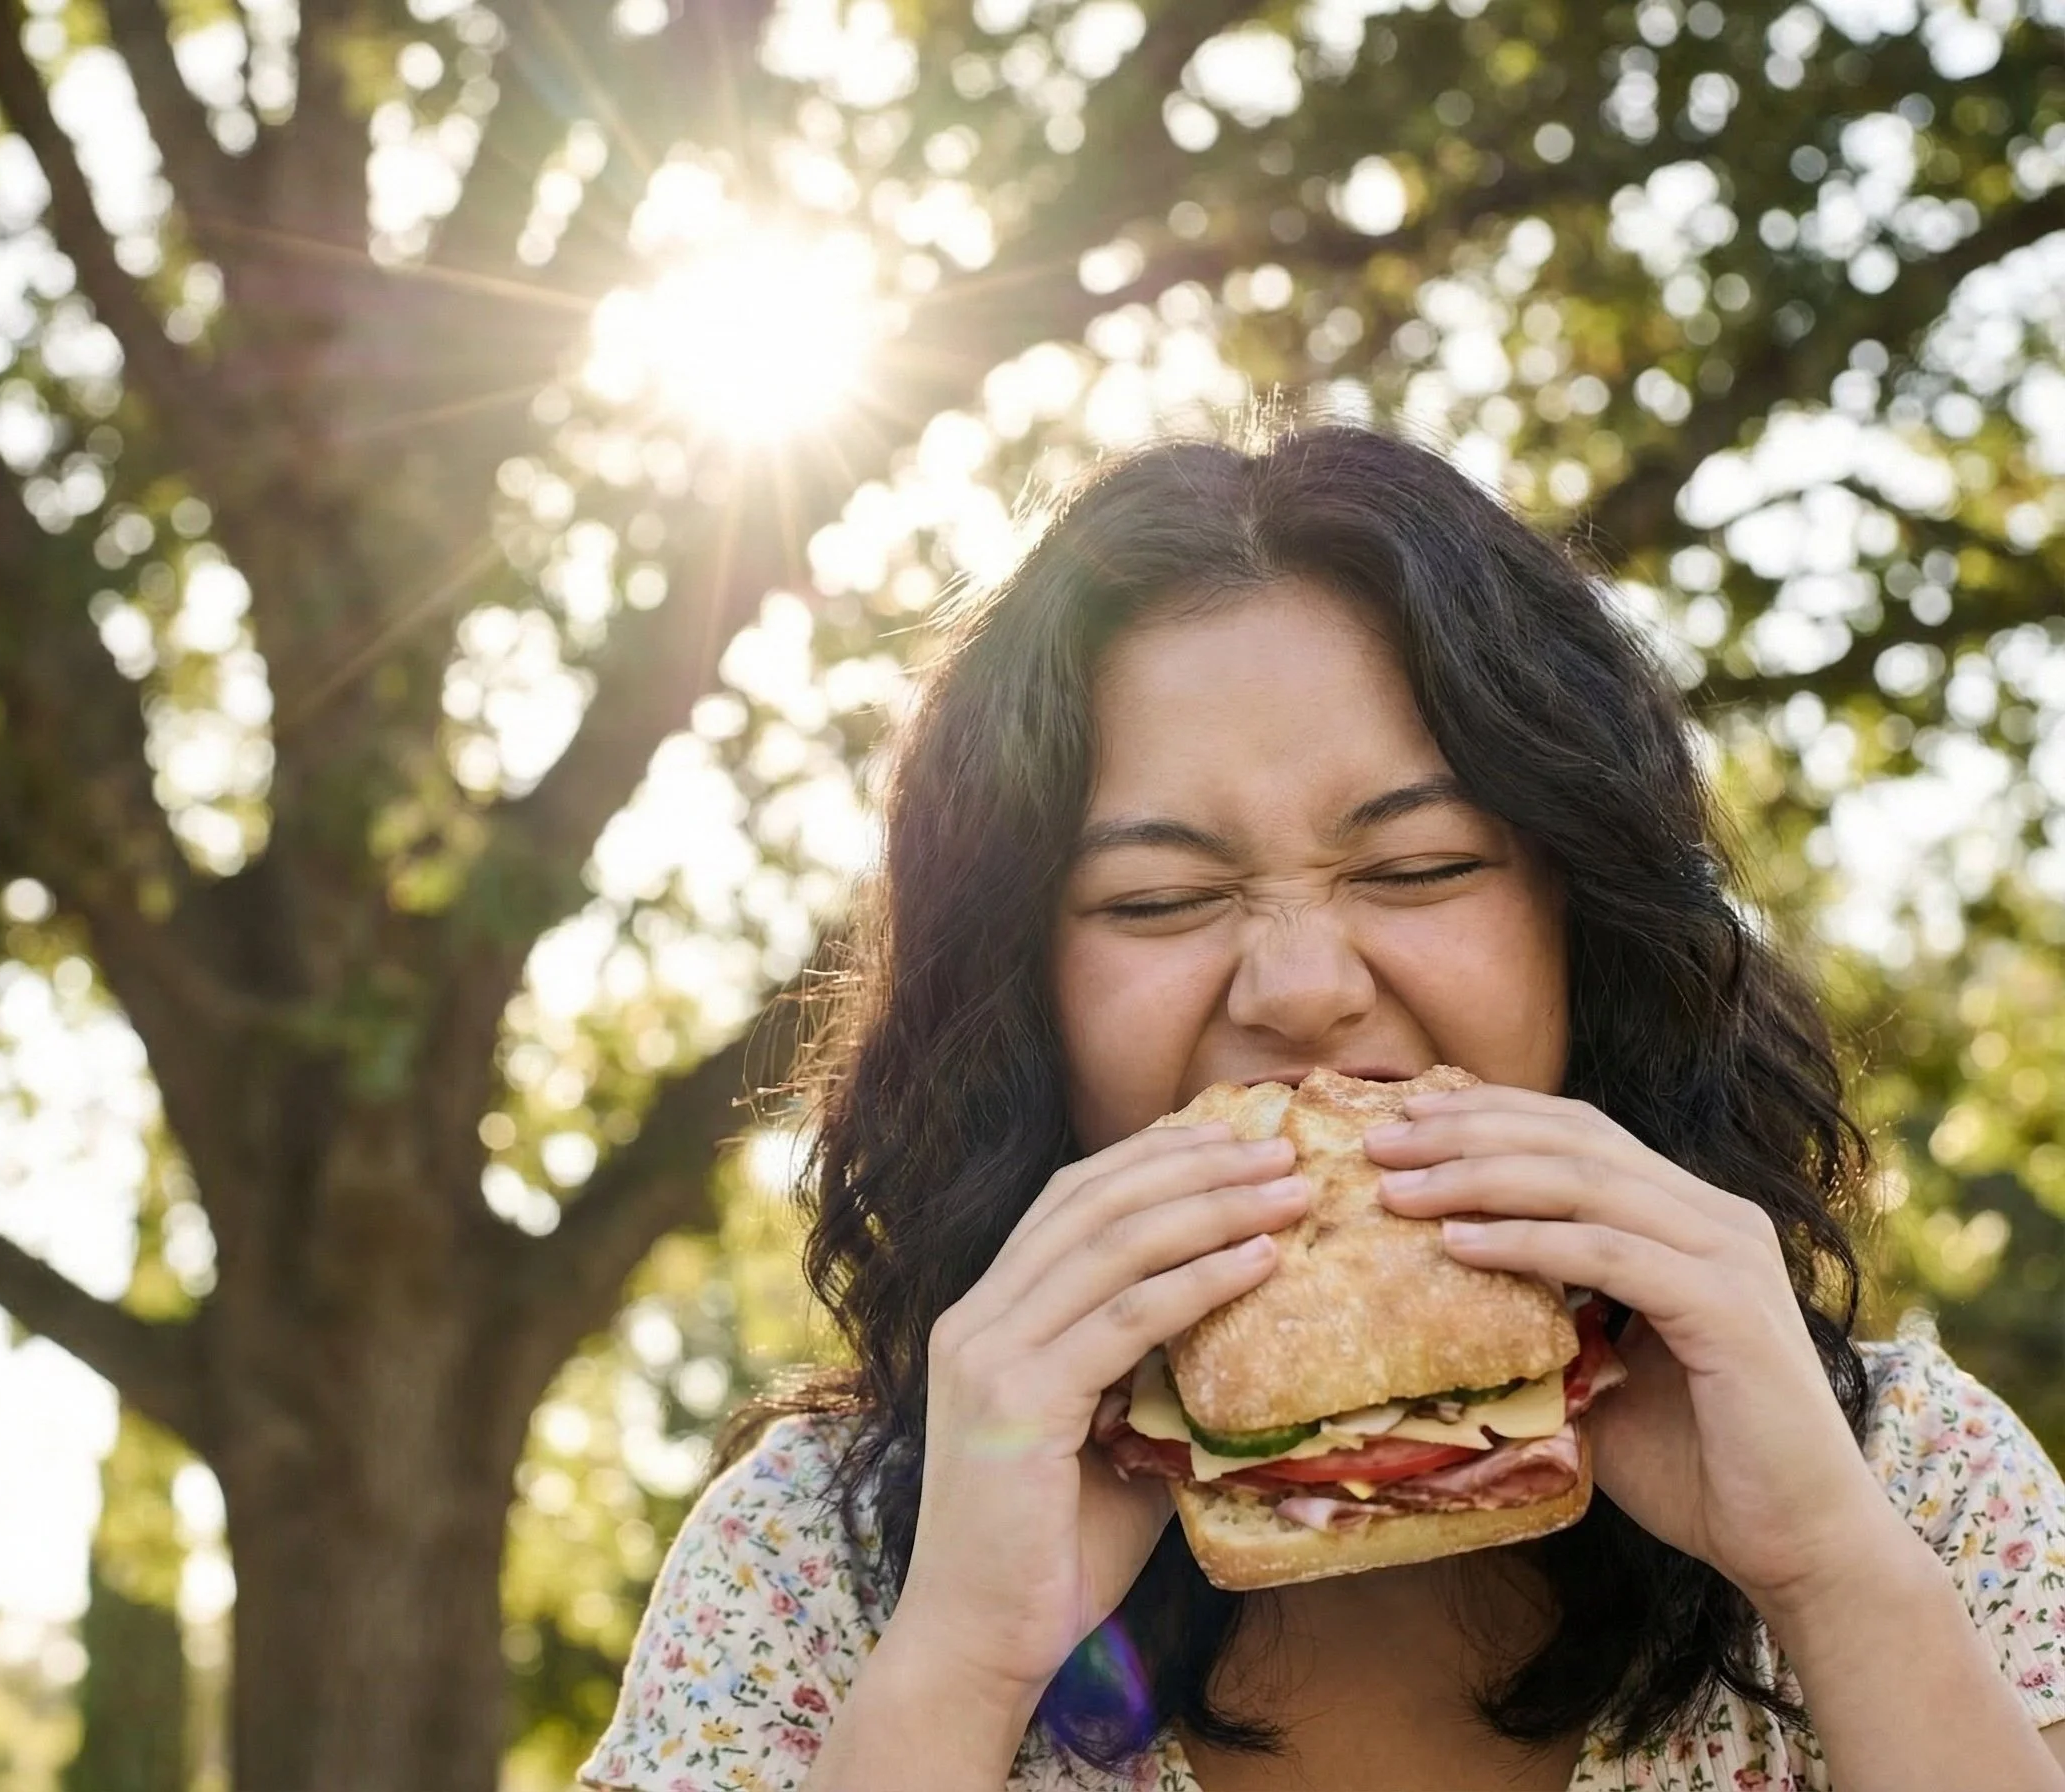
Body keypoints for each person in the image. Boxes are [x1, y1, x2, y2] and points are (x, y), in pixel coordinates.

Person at [575, 424, 2065, 1791]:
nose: (1297, 991)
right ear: (1022, 991)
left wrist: (1832, 1575)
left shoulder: (1913, 1484)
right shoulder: (812, 1564)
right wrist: (961, 1664)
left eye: (1418, 870)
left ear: (1585, 922)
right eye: (1159, 898)